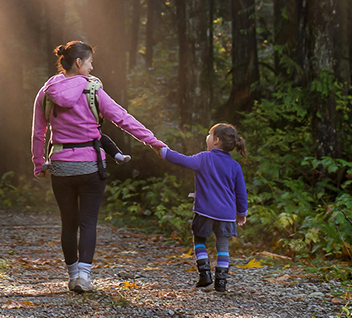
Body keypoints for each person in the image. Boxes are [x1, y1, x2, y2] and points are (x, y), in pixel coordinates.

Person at [31, 40, 166, 293]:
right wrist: (153, 142)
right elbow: (123, 119)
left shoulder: (46, 91)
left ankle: (72, 277)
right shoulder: (93, 91)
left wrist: (39, 164)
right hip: (91, 165)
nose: (92, 68)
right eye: (90, 62)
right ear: (79, 62)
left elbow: (39, 133)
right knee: (88, 222)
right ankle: (84, 276)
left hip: (61, 165)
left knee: (68, 223)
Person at [156, 123, 248, 292]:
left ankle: (204, 273)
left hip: (205, 211)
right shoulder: (235, 166)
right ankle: (221, 281)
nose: (207, 137)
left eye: (209, 134)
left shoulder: (204, 158)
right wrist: (241, 213)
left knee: (199, 240)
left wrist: (163, 152)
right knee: (223, 246)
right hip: (226, 214)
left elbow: (182, 160)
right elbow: (241, 192)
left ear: (216, 141)